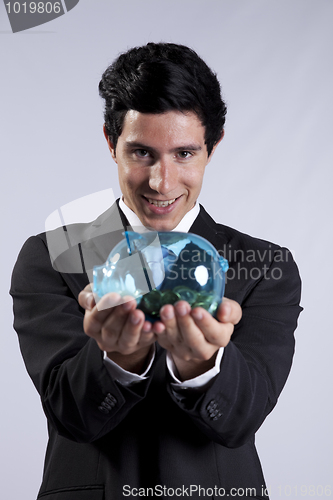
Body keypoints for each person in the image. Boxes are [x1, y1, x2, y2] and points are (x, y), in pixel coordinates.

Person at [10, 43, 302, 500]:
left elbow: (243, 419)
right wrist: (118, 361)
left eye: (184, 154)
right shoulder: (52, 255)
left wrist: (203, 365)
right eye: (142, 153)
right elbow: (71, 413)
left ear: (212, 148)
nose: (161, 183)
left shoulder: (267, 267)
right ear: (111, 144)